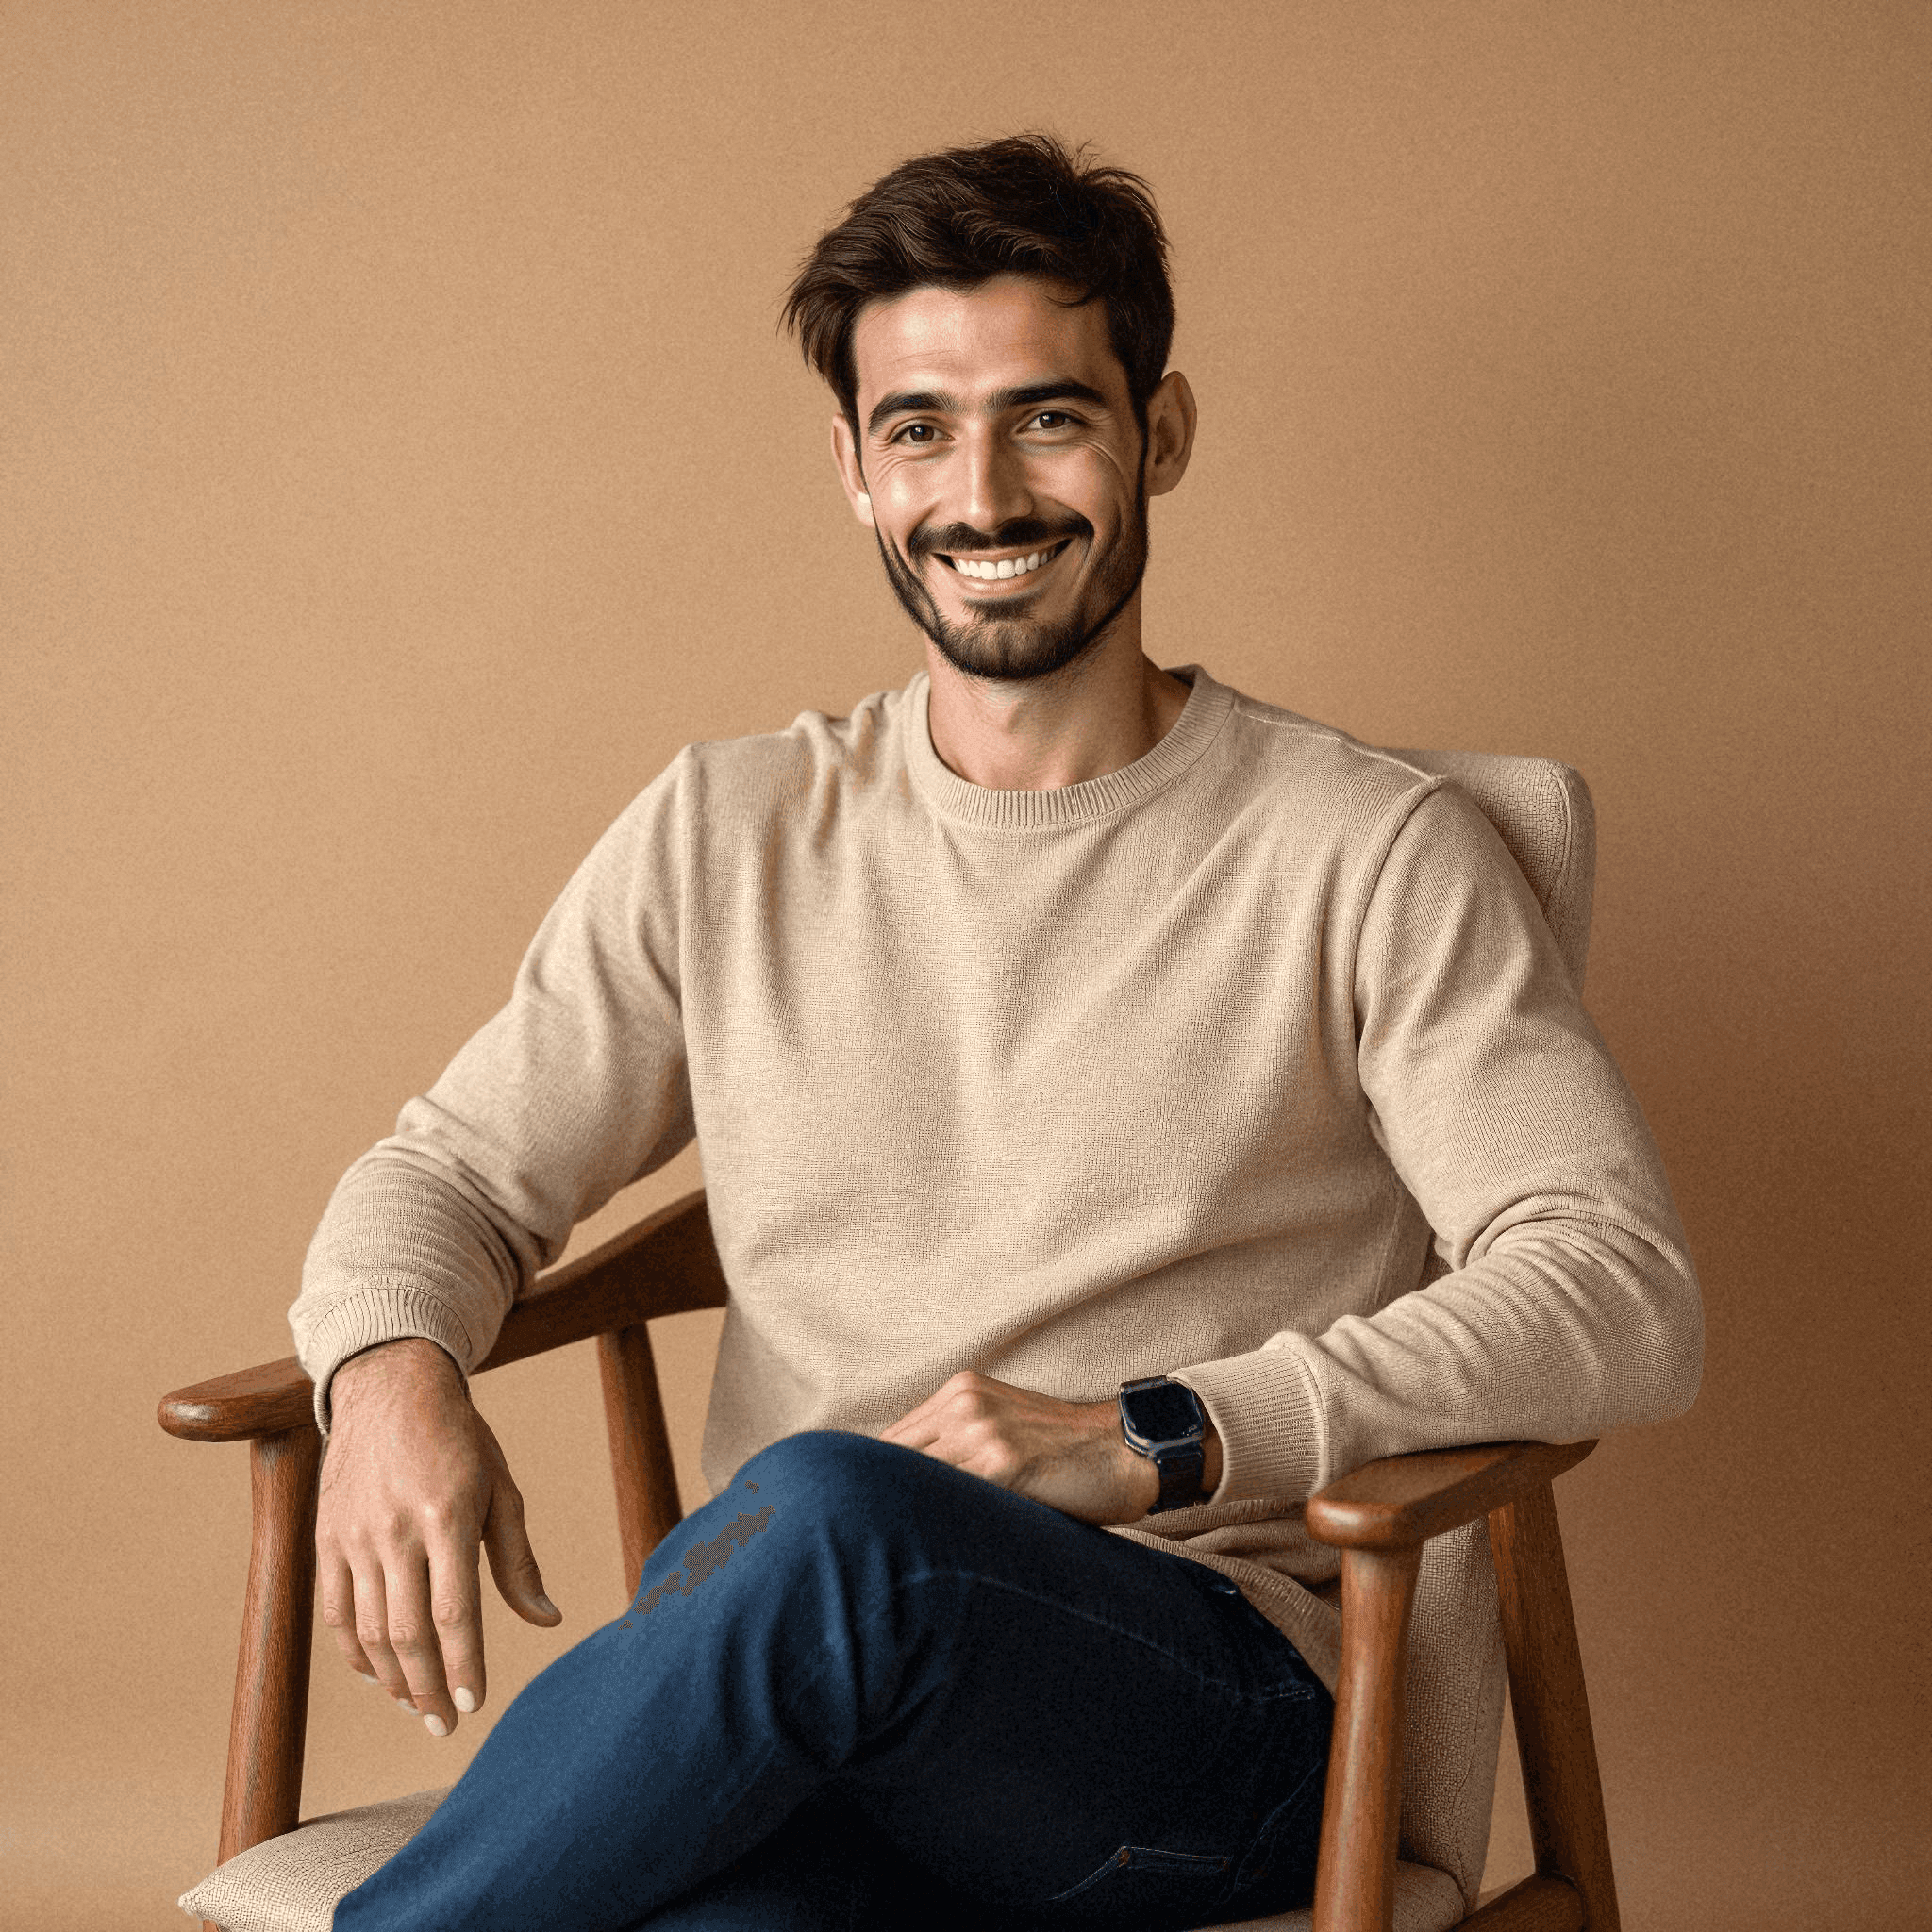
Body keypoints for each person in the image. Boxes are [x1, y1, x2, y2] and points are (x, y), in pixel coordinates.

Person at [296, 134, 1702, 1930]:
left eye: (1050, 418)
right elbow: (448, 1173)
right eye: (919, 431)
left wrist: (1159, 1432)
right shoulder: (727, 830)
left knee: (829, 1515)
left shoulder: (1368, 850)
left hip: (1203, 1720)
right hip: (813, 1707)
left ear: (1159, 433)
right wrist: (390, 1375)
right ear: (854, 469)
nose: (984, 492)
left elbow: (1620, 1287)